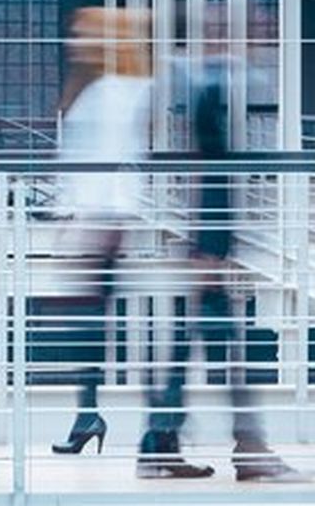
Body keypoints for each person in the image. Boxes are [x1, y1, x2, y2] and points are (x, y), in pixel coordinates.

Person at [135, 55, 307, 482]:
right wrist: (210, 251)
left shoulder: (208, 82)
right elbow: (209, 170)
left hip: (208, 248)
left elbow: (207, 169)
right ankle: (243, 448)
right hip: (208, 251)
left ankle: (164, 443)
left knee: (197, 350)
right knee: (222, 353)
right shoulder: (208, 87)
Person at [52, 8, 152, 455]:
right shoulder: (98, 86)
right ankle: (87, 415)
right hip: (92, 220)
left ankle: (92, 416)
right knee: (86, 326)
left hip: (99, 222)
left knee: (87, 325)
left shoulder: (117, 90)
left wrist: (92, 222)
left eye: (81, 35)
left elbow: (114, 162)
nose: (72, 43)